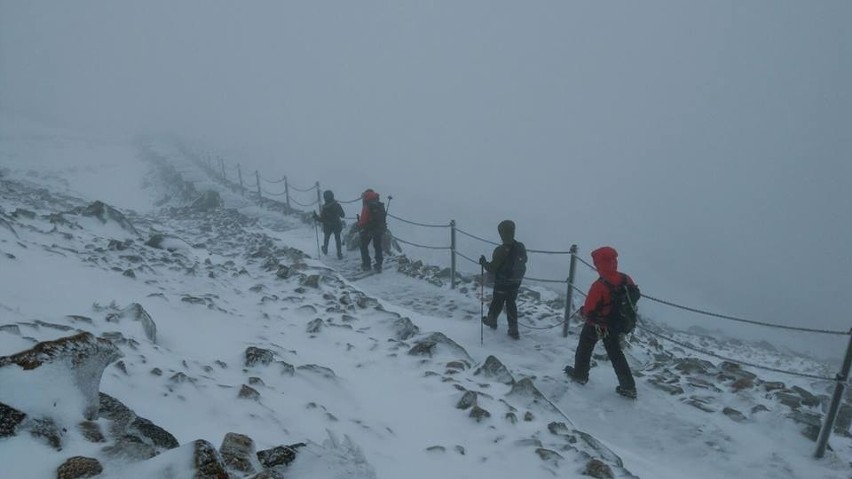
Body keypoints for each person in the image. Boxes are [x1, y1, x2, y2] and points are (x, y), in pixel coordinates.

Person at [564, 246, 638, 399]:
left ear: (599, 264)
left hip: (600, 325)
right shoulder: (626, 279)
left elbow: (590, 309)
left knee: (585, 345)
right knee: (616, 353)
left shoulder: (599, 286)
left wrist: (583, 311)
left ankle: (580, 374)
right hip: (618, 324)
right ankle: (628, 386)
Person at [479, 220, 527, 340]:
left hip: (502, 281)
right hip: (516, 281)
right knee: (511, 303)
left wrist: (484, 263)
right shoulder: (520, 247)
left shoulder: (500, 250)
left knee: (497, 301)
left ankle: (492, 320)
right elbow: (524, 260)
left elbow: (493, 269)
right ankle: (513, 329)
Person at [357, 189, 387, 272]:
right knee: (377, 246)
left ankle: (366, 265)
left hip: (368, 230)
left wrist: (359, 226)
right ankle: (379, 265)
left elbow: (363, 220)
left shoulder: (367, 205)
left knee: (363, 246)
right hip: (379, 229)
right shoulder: (380, 204)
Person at [313, 190, 345, 259]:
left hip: (327, 226)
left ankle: (325, 249)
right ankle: (339, 254)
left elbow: (322, 219)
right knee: (338, 238)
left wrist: (315, 217)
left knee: (326, 238)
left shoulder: (324, 208)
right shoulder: (337, 205)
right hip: (337, 224)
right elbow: (343, 215)